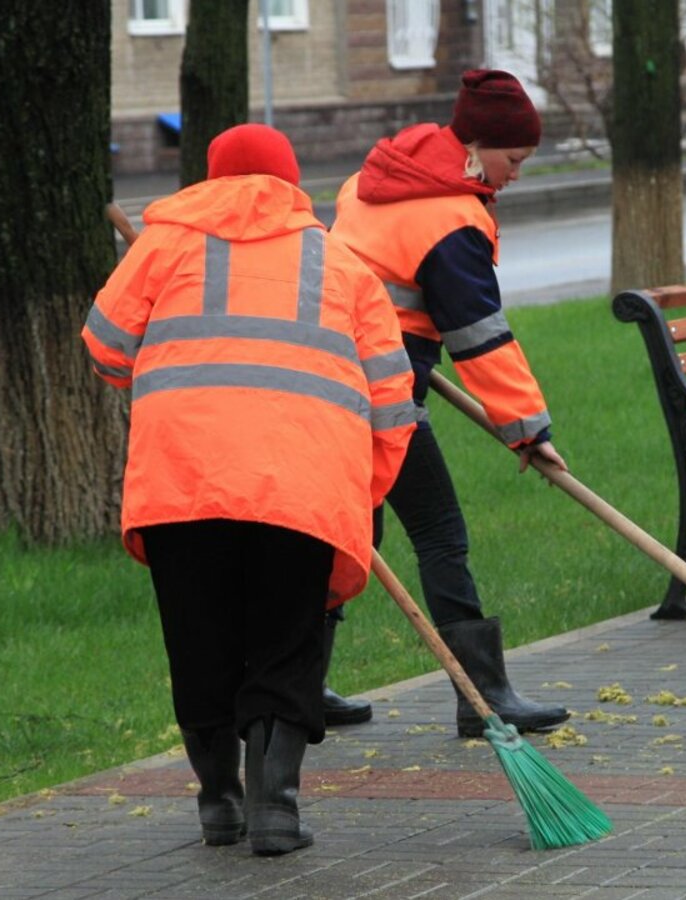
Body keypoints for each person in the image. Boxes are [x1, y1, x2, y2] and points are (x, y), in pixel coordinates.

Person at [81, 124, 415, 855]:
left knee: (199, 640)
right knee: (285, 642)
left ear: (207, 178)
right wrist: (359, 498)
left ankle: (217, 804)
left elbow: (105, 347)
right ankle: (276, 813)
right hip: (301, 489)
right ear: (292, 181)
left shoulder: (162, 246)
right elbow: (393, 405)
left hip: (182, 486)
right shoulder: (340, 264)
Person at [327, 69, 570, 739]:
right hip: (381, 388)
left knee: (350, 533)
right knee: (438, 532)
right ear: (476, 145)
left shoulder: (374, 178)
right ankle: (483, 697)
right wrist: (528, 430)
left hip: (323, 375)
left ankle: (296, 688)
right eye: (513, 160)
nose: (516, 174)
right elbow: (481, 337)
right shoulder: (452, 217)